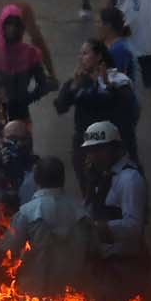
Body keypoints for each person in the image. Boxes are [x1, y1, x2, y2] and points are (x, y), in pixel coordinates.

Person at [80, 120, 148, 301]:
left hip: (124, 267)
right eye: (90, 151)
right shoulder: (99, 178)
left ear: (115, 148)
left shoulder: (129, 179)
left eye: (99, 150)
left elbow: (134, 226)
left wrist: (97, 229)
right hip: (102, 268)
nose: (93, 156)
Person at [55, 39, 138, 193]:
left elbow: (128, 108)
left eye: (85, 53)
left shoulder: (117, 79)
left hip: (110, 147)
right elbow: (60, 107)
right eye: (80, 54)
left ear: (99, 56)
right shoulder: (78, 82)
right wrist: (73, 87)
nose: (81, 58)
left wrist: (108, 86)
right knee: (89, 192)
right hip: (85, 145)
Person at [3, 156, 89, 296]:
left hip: (35, 297)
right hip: (73, 298)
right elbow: (93, 251)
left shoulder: (27, 212)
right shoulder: (80, 212)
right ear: (63, 179)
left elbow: (8, 250)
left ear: (36, 179)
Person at [0, 4, 53, 123]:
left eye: (16, 24)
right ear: (2, 25)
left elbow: (42, 85)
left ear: (22, 27)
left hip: (21, 117)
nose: (12, 28)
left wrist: (26, 99)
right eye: (9, 23)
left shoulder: (30, 53)